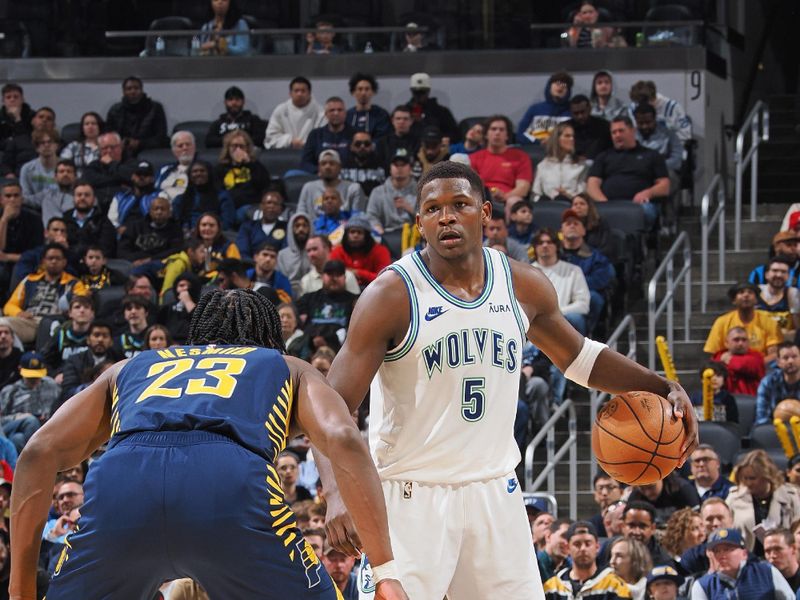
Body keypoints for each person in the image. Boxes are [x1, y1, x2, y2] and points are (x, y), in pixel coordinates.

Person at [317, 161, 698, 599]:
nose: (446, 217)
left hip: (495, 491)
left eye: (459, 204)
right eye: (433, 208)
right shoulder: (391, 295)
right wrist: (335, 492)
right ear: (420, 222)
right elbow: (334, 404)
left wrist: (660, 386)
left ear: (484, 212)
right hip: (409, 497)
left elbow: (580, 358)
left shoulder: (522, 284)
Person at [10, 289, 409, 600]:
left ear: (197, 334)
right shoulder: (282, 365)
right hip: (226, 485)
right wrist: (385, 571)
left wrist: (20, 589)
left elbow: (37, 453)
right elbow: (340, 435)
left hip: (122, 483)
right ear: (269, 336)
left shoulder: (130, 366)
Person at [586, 116, 670, 230]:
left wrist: (647, 193)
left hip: (639, 205)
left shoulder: (652, 155)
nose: (617, 135)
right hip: (608, 204)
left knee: (646, 212)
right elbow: (592, 185)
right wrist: (604, 203)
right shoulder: (603, 157)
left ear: (633, 131)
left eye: (621, 131)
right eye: (614, 132)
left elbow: (664, 186)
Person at [3, 243, 87, 344]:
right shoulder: (29, 280)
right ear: (43, 261)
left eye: (58, 258)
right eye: (50, 258)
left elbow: (81, 303)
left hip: (56, 323)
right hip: (30, 322)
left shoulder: (74, 283)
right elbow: (10, 305)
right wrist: (19, 313)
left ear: (64, 262)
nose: (54, 261)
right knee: (2, 325)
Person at [727, 449, 800, 555]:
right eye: (744, 478)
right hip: (746, 559)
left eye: (752, 478)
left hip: (782, 558)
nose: (748, 483)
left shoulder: (790, 497)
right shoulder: (734, 498)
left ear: (767, 476)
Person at [691, 527, 794, 599]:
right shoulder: (703, 585)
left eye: (727, 549)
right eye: (716, 551)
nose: (721, 555)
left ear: (744, 554)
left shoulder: (766, 572)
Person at [560, 208, 615, 334]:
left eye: (576, 223)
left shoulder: (596, 257)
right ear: (561, 231)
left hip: (583, 297)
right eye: (568, 224)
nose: (572, 226)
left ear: (584, 231)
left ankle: (587, 335)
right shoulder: (554, 255)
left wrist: (572, 287)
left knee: (594, 298)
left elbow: (600, 280)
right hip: (558, 295)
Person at [543, 521, 629, 600]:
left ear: (597, 547)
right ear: (568, 548)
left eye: (588, 543)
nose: (583, 549)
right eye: (577, 544)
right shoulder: (552, 587)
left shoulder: (615, 585)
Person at [704, 282, 782, 365]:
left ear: (756, 300)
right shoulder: (721, 322)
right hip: (729, 368)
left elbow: (773, 354)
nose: (746, 295)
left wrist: (750, 365)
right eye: (741, 292)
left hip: (760, 368)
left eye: (750, 292)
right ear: (734, 300)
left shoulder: (768, 322)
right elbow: (713, 354)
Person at [469, 115, 532, 217]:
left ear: (507, 135)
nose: (497, 133)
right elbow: (472, 186)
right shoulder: (474, 158)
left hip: (509, 198)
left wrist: (505, 196)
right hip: (482, 198)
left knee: (515, 201)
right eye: (493, 129)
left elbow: (523, 188)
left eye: (501, 130)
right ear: (486, 134)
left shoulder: (520, 157)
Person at [531, 227, 591, 335]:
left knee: (576, 318)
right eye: (540, 243)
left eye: (549, 242)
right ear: (535, 247)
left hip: (564, 320)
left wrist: (559, 313)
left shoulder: (574, 270)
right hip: (533, 322)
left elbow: (583, 304)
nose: (545, 245)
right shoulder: (526, 271)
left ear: (557, 246)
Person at [0, 351, 59, 452]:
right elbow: (1, 421)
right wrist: (20, 416)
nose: (34, 380)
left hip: (45, 429)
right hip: (17, 426)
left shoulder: (51, 386)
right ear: (20, 369)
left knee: (17, 439)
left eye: (37, 376)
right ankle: (35, 458)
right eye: (30, 376)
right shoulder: (10, 391)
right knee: (31, 421)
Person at [58, 320, 122, 405]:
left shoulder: (119, 360)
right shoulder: (74, 360)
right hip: (79, 405)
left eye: (105, 336)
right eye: (96, 335)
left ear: (111, 342)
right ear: (88, 339)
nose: (100, 339)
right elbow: (68, 391)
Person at [214, 130, 270, 220]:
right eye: (234, 146)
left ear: (247, 148)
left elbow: (263, 185)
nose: (238, 150)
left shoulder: (256, 166)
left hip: (251, 206)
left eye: (241, 146)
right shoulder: (220, 169)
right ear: (228, 148)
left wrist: (249, 164)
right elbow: (218, 191)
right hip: (229, 208)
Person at [0, 181, 44, 295]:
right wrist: (4, 220)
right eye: (8, 196)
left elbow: (37, 252)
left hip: (25, 260)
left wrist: (9, 257)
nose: (12, 200)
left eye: (16, 195)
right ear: (1, 200)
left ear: (22, 198)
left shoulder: (35, 219)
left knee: (20, 271)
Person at [105, 77, 168, 155]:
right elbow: (109, 135)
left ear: (142, 90)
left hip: (149, 151)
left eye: (136, 88)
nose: (133, 91)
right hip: (121, 151)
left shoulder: (155, 108)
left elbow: (161, 137)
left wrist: (139, 143)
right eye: (129, 89)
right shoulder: (115, 110)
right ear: (123, 92)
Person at [297, 149, 367, 220]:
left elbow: (358, 219)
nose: (327, 167)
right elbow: (300, 216)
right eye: (323, 163)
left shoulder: (353, 189)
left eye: (332, 163)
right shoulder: (308, 188)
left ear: (340, 167)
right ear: (319, 168)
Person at [265, 76, 326, 151]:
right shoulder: (281, 110)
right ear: (290, 93)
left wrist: (305, 143)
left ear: (309, 93)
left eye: (303, 91)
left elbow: (323, 136)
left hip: (311, 151)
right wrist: (289, 141)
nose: (299, 94)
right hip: (285, 151)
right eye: (296, 91)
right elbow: (271, 136)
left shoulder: (320, 112)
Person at [329, 215, 391, 289]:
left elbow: (384, 279)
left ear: (367, 236)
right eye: (352, 232)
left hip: (373, 291)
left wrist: (358, 273)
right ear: (346, 235)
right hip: (344, 292)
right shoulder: (337, 251)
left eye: (359, 232)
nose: (355, 235)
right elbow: (332, 276)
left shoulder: (380, 251)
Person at [366, 148, 416, 238]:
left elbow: (428, 217)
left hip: (415, 235)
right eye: (396, 164)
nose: (399, 168)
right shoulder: (378, 192)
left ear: (410, 168)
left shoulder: (421, 191)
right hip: (386, 234)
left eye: (403, 164)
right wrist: (381, 234)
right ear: (390, 168)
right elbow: (371, 217)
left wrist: (410, 209)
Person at [173, 160, 235, 231]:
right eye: (195, 171)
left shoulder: (222, 196)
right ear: (190, 176)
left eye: (202, 171)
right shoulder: (181, 199)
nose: (198, 174)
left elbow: (227, 223)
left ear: (209, 174)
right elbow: (177, 223)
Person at [81, 131, 137, 210]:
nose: (109, 151)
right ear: (100, 150)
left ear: (121, 147)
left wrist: (112, 163)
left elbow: (133, 176)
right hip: (98, 207)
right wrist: (119, 179)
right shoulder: (94, 165)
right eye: (105, 148)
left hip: (125, 205)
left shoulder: (131, 163)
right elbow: (87, 180)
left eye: (113, 147)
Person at [300, 97, 356, 174]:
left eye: (340, 110)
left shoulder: (356, 135)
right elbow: (305, 162)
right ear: (326, 114)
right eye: (332, 110)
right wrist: (319, 171)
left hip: (348, 176)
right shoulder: (315, 134)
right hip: (320, 176)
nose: (336, 113)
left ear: (345, 113)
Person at [62, 181, 116, 259]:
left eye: (87, 195)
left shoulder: (103, 221)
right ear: (73, 198)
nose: (82, 198)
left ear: (94, 199)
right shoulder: (64, 219)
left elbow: (106, 249)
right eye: (79, 195)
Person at [41, 294, 94, 374]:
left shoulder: (98, 334)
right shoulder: (60, 333)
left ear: (92, 313)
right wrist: (55, 375)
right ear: (70, 313)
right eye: (77, 307)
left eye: (86, 307)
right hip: (63, 378)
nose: (82, 310)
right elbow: (45, 360)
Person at [517, 71, 573, 145]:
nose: (561, 86)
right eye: (557, 83)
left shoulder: (573, 111)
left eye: (565, 85)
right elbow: (520, 135)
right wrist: (539, 141)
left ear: (568, 91)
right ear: (549, 87)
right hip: (536, 152)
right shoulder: (535, 109)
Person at [628, 81, 692, 143]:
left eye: (642, 104)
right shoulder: (633, 108)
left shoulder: (674, 108)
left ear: (652, 98)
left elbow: (685, 135)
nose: (640, 108)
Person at [627, 473, 701, 527]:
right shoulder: (636, 496)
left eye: (651, 487)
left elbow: (697, 521)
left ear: (662, 477)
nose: (648, 493)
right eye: (642, 489)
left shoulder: (683, 490)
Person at [404, 73, 459, 144]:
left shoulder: (441, 112)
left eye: (422, 92)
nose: (419, 96)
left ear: (428, 91)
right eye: (416, 92)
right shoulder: (404, 112)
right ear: (411, 91)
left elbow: (454, 134)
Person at [107, 159, 159, 232]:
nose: (141, 177)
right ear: (133, 177)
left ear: (152, 179)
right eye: (138, 174)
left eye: (146, 175)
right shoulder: (120, 197)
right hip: (123, 235)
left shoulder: (160, 195)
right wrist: (118, 228)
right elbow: (111, 220)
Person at [756, 341, 800, 426]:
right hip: (773, 431)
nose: (790, 361)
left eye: (794, 357)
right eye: (785, 358)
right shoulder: (768, 383)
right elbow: (761, 418)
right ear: (778, 362)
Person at [711, 326, 765, 396]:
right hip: (726, 400)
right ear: (726, 343)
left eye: (744, 340)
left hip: (751, 400)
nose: (740, 343)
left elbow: (746, 366)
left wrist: (730, 360)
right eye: (736, 340)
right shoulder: (718, 356)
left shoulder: (757, 356)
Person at [26, 158, 76, 229]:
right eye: (61, 172)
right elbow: (28, 200)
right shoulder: (46, 194)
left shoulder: (81, 195)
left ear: (75, 177)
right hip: (48, 235)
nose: (65, 174)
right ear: (55, 177)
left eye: (69, 171)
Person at [633, 103, 683, 174]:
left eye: (648, 122)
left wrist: (655, 166)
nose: (644, 126)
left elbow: (677, 160)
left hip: (663, 174)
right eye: (640, 123)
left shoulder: (669, 134)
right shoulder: (630, 135)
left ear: (654, 119)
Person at [620, 501, 673, 567]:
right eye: (631, 525)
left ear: (653, 528)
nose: (637, 532)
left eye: (642, 526)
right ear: (623, 526)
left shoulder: (664, 563)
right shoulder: (609, 550)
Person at [757, 256, 800, 336]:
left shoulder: (793, 294)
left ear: (788, 276)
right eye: (775, 271)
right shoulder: (755, 292)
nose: (779, 275)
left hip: (784, 343)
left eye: (783, 272)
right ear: (766, 274)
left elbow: (798, 330)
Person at [154, 130, 197, 203]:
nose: (185, 148)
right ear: (174, 151)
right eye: (180, 146)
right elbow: (154, 189)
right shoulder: (164, 169)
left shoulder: (202, 170)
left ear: (194, 147)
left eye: (188, 144)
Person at [157, 273, 200, 345]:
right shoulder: (167, 308)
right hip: (169, 345)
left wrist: (187, 301)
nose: (185, 288)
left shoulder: (202, 306)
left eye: (189, 286)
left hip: (193, 344)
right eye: (181, 285)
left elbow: (200, 321)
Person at [340, 131, 386, 197]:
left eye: (366, 144)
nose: (362, 147)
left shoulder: (381, 166)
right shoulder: (343, 166)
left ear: (372, 147)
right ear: (351, 147)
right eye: (358, 144)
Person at [278, 212, 313, 298]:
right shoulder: (282, 255)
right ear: (291, 229)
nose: (301, 229)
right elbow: (281, 280)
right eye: (297, 226)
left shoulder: (315, 251)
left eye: (305, 226)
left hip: (312, 292)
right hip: (288, 294)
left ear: (310, 229)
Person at [568, 95, 613, 162]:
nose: (580, 116)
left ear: (589, 109)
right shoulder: (565, 128)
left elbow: (611, 150)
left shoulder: (604, 126)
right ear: (571, 113)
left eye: (583, 112)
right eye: (576, 113)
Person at [346, 73, 390, 140]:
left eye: (367, 89)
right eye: (360, 89)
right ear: (353, 92)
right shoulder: (347, 115)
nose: (363, 93)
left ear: (373, 92)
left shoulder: (381, 115)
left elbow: (383, 139)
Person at [375, 106, 420, 171]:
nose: (401, 122)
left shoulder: (418, 142)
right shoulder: (383, 142)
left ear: (411, 121)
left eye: (405, 119)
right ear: (392, 120)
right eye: (398, 118)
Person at [19, 128, 59, 199]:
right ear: (36, 148)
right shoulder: (27, 169)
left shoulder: (66, 167)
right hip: (33, 209)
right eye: (42, 143)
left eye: (50, 142)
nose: (46, 145)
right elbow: (25, 197)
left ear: (56, 145)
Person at [589, 472, 623, 537]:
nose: (604, 493)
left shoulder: (629, 521)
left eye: (610, 487)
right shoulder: (590, 525)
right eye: (600, 488)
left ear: (621, 492)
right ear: (595, 494)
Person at [0, 320, 22, 390]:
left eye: (6, 332)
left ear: (12, 338)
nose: (3, 336)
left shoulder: (21, 359)